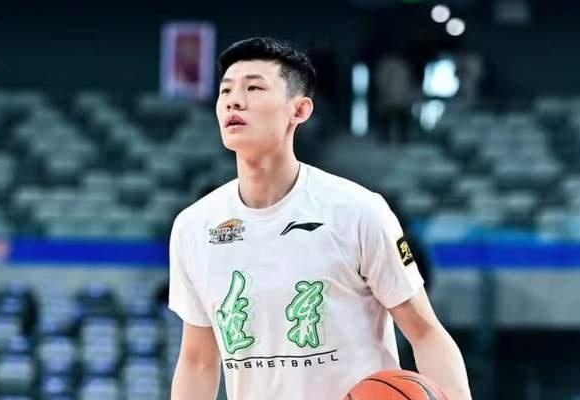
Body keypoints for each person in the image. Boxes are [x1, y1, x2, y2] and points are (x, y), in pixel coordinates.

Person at [168, 37, 471, 400]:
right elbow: (198, 361)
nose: (234, 100)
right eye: (226, 90)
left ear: (299, 110)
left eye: (254, 88)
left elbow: (425, 333)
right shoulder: (194, 227)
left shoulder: (359, 211)